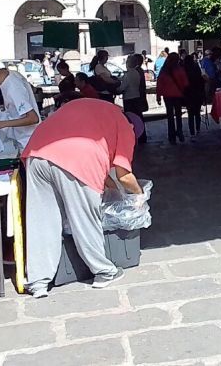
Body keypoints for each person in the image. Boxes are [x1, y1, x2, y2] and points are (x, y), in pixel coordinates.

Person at [22, 98, 143, 298]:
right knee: (84, 218)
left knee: (41, 220)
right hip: (77, 160)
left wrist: (112, 190)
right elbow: (124, 174)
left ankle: (38, 282)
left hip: (37, 154)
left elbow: (104, 172)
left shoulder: (92, 108)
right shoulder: (125, 126)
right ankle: (103, 272)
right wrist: (138, 196)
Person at [156, 53, 189, 144]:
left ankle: (171, 136)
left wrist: (158, 96)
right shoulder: (179, 69)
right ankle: (179, 131)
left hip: (167, 96)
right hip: (178, 95)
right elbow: (185, 83)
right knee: (178, 115)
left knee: (170, 116)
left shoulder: (163, 70)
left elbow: (159, 83)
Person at [117, 54, 148, 142]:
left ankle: (133, 136)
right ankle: (142, 136)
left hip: (129, 98)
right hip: (137, 96)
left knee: (131, 118)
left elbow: (122, 87)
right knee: (138, 117)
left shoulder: (128, 74)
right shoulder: (137, 73)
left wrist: (116, 89)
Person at [183, 53, 205, 137]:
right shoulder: (196, 67)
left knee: (190, 114)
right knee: (197, 113)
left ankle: (192, 132)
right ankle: (198, 128)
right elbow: (201, 80)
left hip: (188, 94)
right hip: (197, 93)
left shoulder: (184, 69)